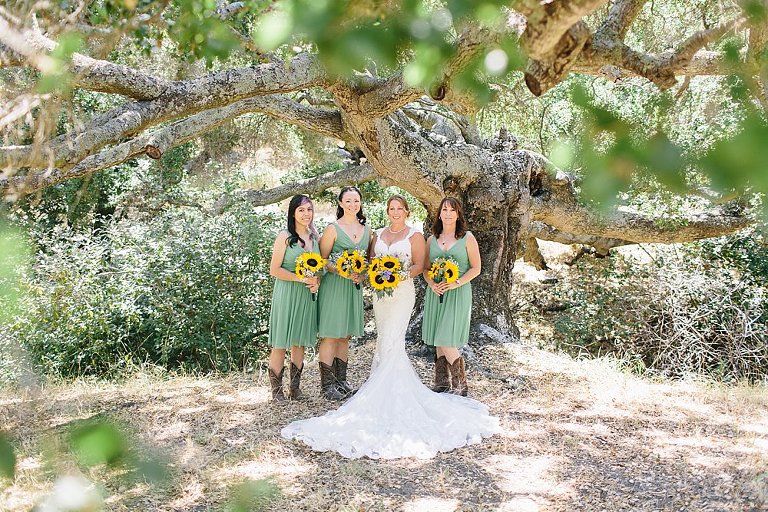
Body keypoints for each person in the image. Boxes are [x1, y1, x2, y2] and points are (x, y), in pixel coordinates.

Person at [281, 194, 499, 459]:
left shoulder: (416, 236)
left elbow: (420, 266)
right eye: (391, 208)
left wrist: (399, 275)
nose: (395, 212)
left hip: (402, 293)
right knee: (383, 339)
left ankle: (398, 391)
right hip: (381, 295)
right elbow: (371, 261)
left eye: (400, 208)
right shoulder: (378, 234)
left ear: (407, 211)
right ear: (387, 211)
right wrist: (369, 274)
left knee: (394, 340)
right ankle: (371, 387)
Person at [316, 186, 371, 400]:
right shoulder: (333, 229)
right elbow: (322, 259)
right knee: (331, 334)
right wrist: (341, 270)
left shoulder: (367, 230)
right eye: (348, 201)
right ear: (340, 203)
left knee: (345, 335)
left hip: (353, 287)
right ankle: (327, 386)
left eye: (356, 201)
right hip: (334, 286)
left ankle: (341, 382)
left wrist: (361, 275)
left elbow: (367, 261)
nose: (352, 205)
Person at [422, 196, 481, 396]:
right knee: (438, 338)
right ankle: (441, 383)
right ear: (439, 214)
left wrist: (456, 283)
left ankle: (461, 386)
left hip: (458, 292)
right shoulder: (431, 240)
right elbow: (426, 269)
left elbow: (476, 268)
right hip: (436, 293)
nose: (448, 214)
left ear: (458, 214)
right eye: (444, 210)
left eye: (452, 210)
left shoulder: (467, 238)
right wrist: (432, 284)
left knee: (446, 339)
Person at [266, 194, 321, 401]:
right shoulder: (285, 236)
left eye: (309, 209)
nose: (306, 214)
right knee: (280, 342)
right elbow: (274, 270)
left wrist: (316, 281)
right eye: (301, 210)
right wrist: (300, 278)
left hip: (306, 295)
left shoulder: (314, 237)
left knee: (299, 342)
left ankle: (295, 389)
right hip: (287, 293)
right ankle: (277, 392)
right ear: (293, 213)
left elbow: (319, 268)